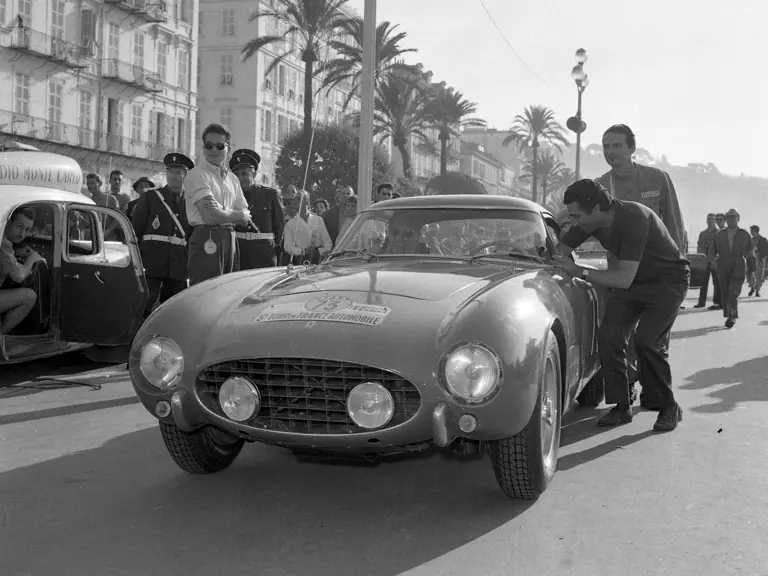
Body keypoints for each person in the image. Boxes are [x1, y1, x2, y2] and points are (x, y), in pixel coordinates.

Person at [553, 179, 689, 432]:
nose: (572, 221)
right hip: (634, 283)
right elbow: (559, 252)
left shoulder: (634, 217)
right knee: (610, 336)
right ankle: (621, 406)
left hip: (667, 282)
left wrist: (578, 270)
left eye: (575, 215)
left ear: (595, 209)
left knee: (648, 341)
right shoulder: (588, 222)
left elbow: (622, 279)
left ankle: (670, 406)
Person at [596, 124, 686, 251]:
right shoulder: (600, 186)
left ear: (632, 148)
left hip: (656, 259)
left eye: (617, 146)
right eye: (606, 147)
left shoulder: (658, 178)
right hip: (619, 262)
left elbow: (674, 223)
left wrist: (680, 262)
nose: (610, 152)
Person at [184, 123, 251, 286]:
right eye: (209, 145)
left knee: (228, 292)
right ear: (203, 147)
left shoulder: (232, 179)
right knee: (205, 292)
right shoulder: (197, 174)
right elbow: (210, 216)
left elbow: (246, 216)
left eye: (220, 146)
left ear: (228, 148)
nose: (214, 150)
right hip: (207, 237)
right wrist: (236, 215)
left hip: (230, 238)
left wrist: (224, 212)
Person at [132, 153, 194, 317]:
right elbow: (136, 229)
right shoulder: (151, 196)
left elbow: (192, 234)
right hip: (152, 259)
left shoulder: (192, 200)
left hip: (179, 263)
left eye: (178, 172)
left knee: (173, 306)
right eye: (170, 171)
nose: (173, 176)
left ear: (186, 174)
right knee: (146, 302)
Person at [0, 207, 45, 360]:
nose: (22, 233)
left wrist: (17, 254)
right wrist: (32, 260)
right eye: (19, 226)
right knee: (30, 296)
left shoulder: (5, 244)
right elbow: (19, 276)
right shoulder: (4, 244)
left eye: (27, 229)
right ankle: (1, 334)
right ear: (7, 223)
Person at [229, 149, 284, 270]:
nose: (240, 178)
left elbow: (279, 226)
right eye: (236, 175)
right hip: (240, 252)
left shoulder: (270, 195)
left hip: (264, 253)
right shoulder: (230, 196)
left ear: (253, 174)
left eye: (244, 174)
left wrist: (274, 248)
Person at [708, 209, 755, 328]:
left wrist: (752, 271)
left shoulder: (744, 234)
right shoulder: (720, 235)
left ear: (738, 218)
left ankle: (732, 316)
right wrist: (713, 262)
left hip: (738, 265)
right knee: (725, 292)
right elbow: (712, 251)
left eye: (733, 216)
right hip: (722, 265)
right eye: (728, 217)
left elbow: (750, 253)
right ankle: (729, 314)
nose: (731, 219)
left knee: (733, 292)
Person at [693, 213, 721, 309]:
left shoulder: (719, 233)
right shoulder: (702, 234)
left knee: (716, 282)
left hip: (714, 261)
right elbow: (699, 247)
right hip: (704, 262)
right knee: (703, 282)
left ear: (715, 221)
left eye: (712, 219)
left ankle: (716, 302)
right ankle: (701, 302)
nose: (710, 221)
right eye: (708, 219)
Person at [280, 188, 312, 265]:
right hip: (299, 261)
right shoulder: (290, 223)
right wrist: (302, 251)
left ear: (307, 201)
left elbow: (327, 243)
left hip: (317, 261)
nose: (296, 201)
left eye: (299, 198)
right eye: (296, 198)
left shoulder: (318, 219)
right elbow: (287, 246)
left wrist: (318, 251)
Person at [748, 225, 768, 298]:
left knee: (759, 275)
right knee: (751, 274)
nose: (751, 233)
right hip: (752, 257)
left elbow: (766, 250)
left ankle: (757, 290)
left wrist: (763, 258)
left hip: (760, 258)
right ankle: (752, 287)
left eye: (752, 231)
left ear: (756, 231)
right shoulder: (751, 240)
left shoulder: (763, 239)